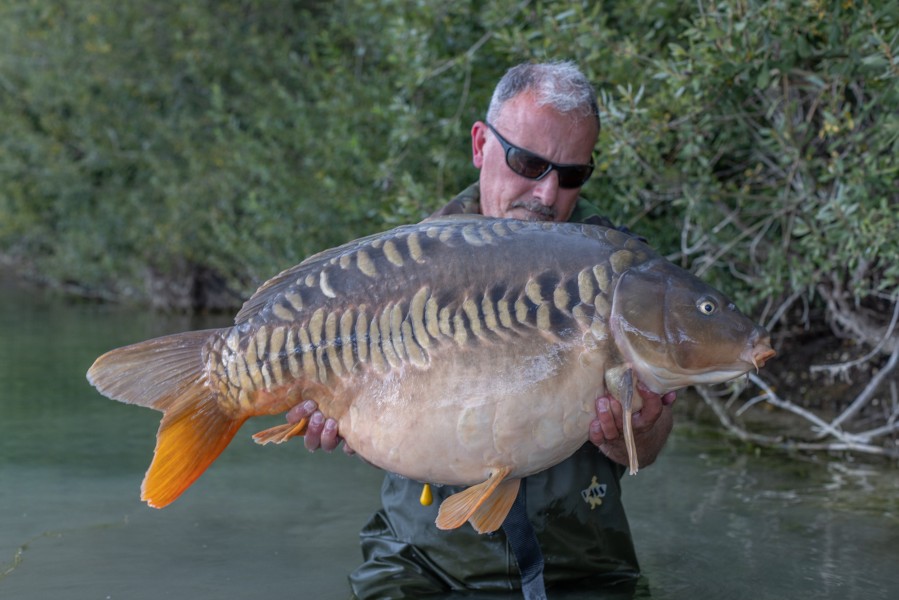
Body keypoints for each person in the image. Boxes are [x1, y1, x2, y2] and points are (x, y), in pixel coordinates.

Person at [289, 61, 675, 598]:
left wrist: (634, 432)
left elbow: (650, 446)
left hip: (580, 564)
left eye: (571, 175)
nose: (547, 195)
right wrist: (332, 414)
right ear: (480, 145)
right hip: (420, 560)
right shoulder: (402, 266)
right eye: (528, 163)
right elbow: (354, 405)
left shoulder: (623, 275)